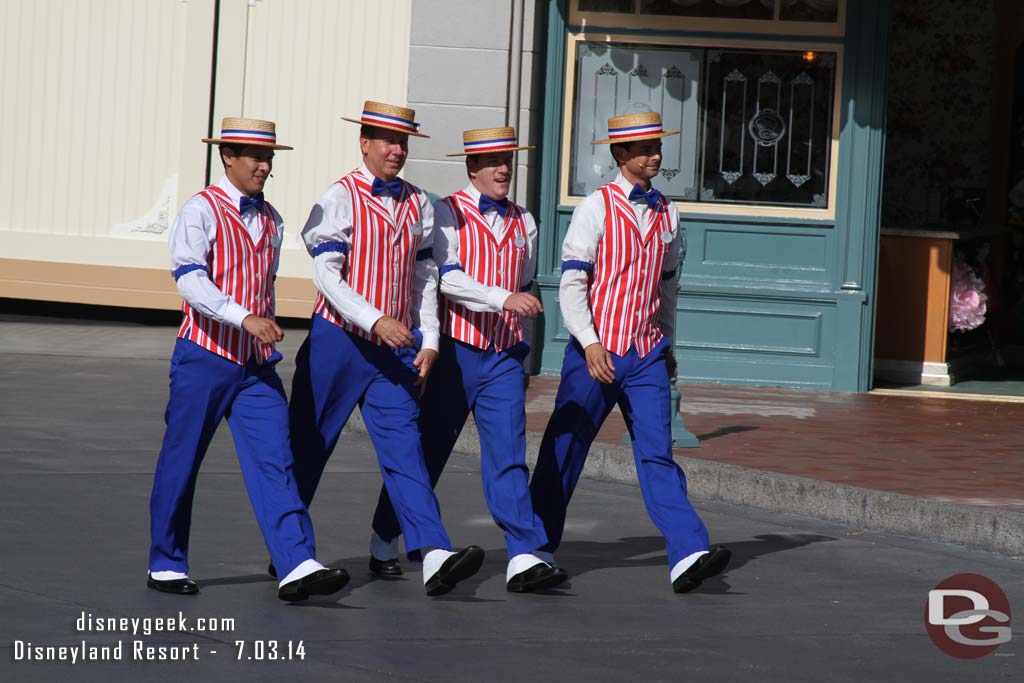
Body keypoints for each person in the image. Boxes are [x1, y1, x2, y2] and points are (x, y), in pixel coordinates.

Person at [528, 111, 731, 593]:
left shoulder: (668, 212)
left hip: (646, 353)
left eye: (657, 146)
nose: (655, 154)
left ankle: (687, 551)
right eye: (644, 149)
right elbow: (573, 283)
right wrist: (590, 341)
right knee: (566, 447)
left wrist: (668, 343)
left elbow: (667, 286)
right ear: (621, 156)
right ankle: (532, 550)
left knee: (658, 452)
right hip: (596, 353)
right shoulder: (594, 208)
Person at [148, 117, 349, 602]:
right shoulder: (201, 211)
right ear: (227, 158)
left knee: (276, 461)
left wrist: (259, 326)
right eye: (254, 157)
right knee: (183, 457)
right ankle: (166, 560)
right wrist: (244, 318)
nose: (264, 166)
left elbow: (264, 282)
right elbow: (191, 282)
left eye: (269, 158)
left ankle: (296, 562)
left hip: (256, 367)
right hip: (204, 356)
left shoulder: (273, 219)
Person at [288, 101, 484, 596]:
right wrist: (375, 319)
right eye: (387, 141)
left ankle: (434, 552)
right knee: (310, 446)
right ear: (365, 144)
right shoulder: (339, 196)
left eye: (403, 142)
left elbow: (425, 277)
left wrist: (431, 338)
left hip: (394, 350)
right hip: (339, 340)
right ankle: (288, 551)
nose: (397, 150)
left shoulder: (419, 203)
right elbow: (326, 278)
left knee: (405, 450)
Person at [370, 127, 568, 593]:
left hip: (503, 356)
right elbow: (449, 279)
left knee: (508, 456)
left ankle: (524, 553)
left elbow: (524, 276)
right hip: (457, 354)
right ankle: (384, 537)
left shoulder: (527, 221)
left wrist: (510, 306)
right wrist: (504, 299)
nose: (503, 169)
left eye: (508, 161)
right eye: (493, 161)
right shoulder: (446, 213)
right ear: (472, 167)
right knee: (428, 452)